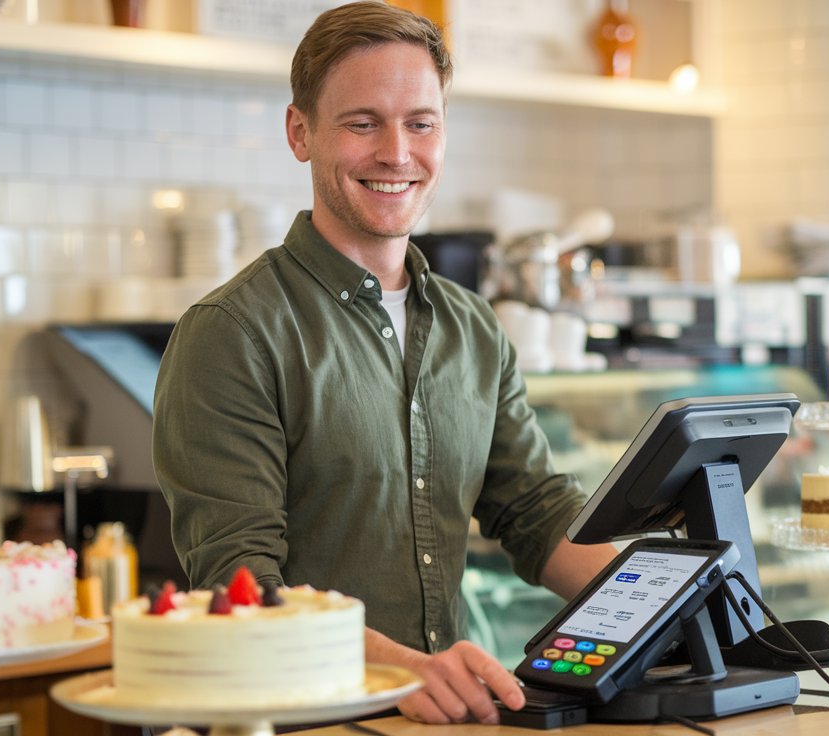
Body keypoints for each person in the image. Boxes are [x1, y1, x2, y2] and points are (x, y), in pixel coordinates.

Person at [152, 1, 619, 725]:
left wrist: (669, 605)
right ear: (300, 133)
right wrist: (404, 668)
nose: (398, 154)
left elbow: (532, 512)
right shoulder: (232, 334)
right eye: (362, 122)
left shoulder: (473, 328)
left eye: (420, 123)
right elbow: (237, 583)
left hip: (455, 718)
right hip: (302, 720)